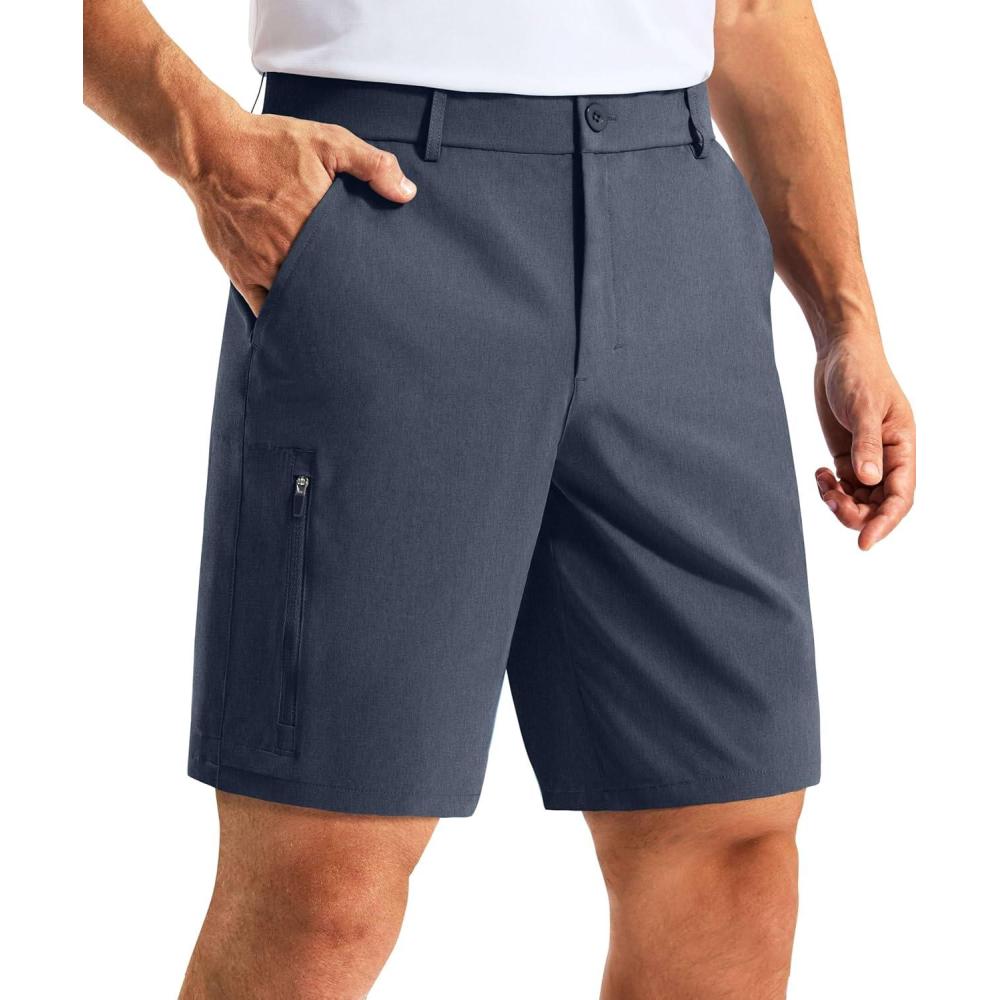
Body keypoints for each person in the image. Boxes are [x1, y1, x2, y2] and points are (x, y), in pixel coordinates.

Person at [83, 0, 915, 995]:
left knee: (729, 846)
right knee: (325, 885)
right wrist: (207, 145)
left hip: (677, 223)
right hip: (382, 200)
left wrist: (845, 317)